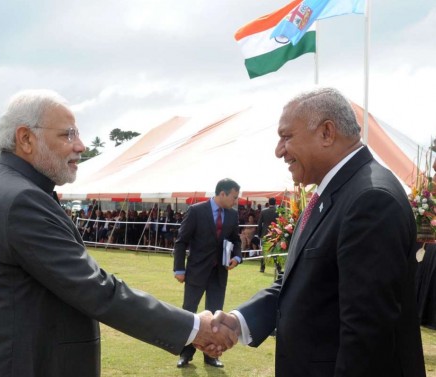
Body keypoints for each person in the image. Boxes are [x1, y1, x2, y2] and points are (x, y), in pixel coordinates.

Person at [0, 90, 238, 377]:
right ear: (26, 139)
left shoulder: (10, 188)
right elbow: (96, 289)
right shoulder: (20, 199)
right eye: (68, 135)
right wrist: (193, 328)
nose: (81, 146)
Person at [208, 87, 426, 377]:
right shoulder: (335, 192)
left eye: (286, 137)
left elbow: (366, 339)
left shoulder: (370, 200)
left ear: (326, 133)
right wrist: (240, 321)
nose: (278, 151)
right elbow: (302, 282)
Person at [173, 178, 242, 368]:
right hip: (196, 271)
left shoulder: (233, 215)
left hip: (219, 274)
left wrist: (237, 257)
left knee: (215, 316)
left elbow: (236, 240)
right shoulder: (196, 211)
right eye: (234, 197)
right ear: (222, 194)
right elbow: (181, 241)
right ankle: (185, 354)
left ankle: (211, 356)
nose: (235, 201)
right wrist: (179, 269)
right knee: (189, 312)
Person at [257, 197, 278, 272]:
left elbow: (259, 224)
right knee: (275, 250)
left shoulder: (263, 212)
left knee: (264, 251)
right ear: (275, 203)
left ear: (268, 203)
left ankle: (262, 268)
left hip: (265, 233)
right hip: (275, 233)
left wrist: (259, 234)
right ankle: (278, 267)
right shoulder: (278, 211)